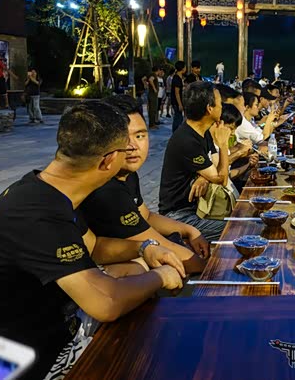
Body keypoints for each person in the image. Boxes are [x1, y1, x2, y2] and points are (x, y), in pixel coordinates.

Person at [0, 101, 185, 380]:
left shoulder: (43, 189)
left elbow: (93, 246)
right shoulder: (39, 214)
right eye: (126, 148)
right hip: (19, 362)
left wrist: (145, 248)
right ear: (109, 161)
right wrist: (161, 276)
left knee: (135, 276)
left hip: (44, 328)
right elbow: (106, 303)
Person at [79, 95, 209, 274]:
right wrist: (210, 269)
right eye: (123, 137)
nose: (133, 146)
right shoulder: (106, 188)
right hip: (93, 272)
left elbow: (145, 216)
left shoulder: (127, 174)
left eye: (140, 135)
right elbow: (151, 239)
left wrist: (189, 230)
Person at [159, 81, 231, 241]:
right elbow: (222, 178)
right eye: (220, 103)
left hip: (197, 209)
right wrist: (223, 144)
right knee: (235, 229)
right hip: (177, 216)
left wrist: (203, 177)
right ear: (209, 108)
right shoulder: (187, 140)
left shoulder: (203, 132)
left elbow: (216, 168)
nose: (222, 107)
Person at [170, 61, 187, 132]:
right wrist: (180, 104)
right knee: (178, 118)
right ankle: (175, 133)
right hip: (176, 102)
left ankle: (176, 133)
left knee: (179, 118)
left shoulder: (179, 78)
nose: (186, 68)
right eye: (185, 67)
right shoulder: (177, 78)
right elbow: (176, 93)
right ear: (182, 68)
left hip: (177, 101)